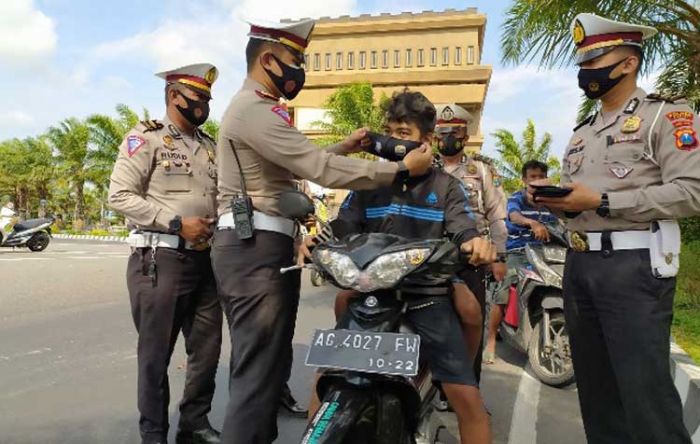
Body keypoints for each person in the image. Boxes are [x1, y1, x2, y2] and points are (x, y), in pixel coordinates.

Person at [211, 19, 434, 444]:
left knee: (268, 369)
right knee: (257, 374)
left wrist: (343, 149)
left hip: (263, 245)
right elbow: (318, 170)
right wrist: (401, 169)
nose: (300, 70)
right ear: (269, 60)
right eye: (296, 60)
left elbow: (296, 162)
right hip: (253, 245)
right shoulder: (252, 111)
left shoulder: (258, 110)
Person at [534, 13, 700, 444]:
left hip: (634, 266)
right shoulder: (581, 133)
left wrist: (605, 201)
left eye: (595, 60)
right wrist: (557, 204)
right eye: (582, 62)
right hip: (580, 265)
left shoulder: (666, 116)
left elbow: (692, 193)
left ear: (628, 63)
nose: (585, 71)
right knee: (596, 394)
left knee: (644, 395)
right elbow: (580, 204)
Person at [305, 90, 495, 444]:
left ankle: (445, 384)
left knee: (467, 399)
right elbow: (342, 227)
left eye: (403, 133)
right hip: (371, 293)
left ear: (426, 139)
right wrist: (314, 242)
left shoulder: (447, 187)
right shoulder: (370, 183)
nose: (393, 139)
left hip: (428, 296)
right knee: (323, 379)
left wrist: (476, 244)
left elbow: (465, 228)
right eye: (390, 130)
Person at [108, 63, 223, 444]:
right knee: (156, 356)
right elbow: (120, 196)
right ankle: (154, 434)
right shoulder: (146, 138)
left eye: (208, 98)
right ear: (175, 96)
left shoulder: (209, 146)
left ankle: (194, 424)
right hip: (161, 260)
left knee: (207, 351)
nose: (205, 104)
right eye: (199, 98)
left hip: (206, 261)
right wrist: (175, 222)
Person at [435, 103, 507, 382]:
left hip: (471, 258)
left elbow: (497, 214)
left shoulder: (482, 170)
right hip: (432, 258)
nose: (448, 138)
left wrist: (499, 256)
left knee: (470, 322)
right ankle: (434, 389)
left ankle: (468, 386)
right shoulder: (425, 167)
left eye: (455, 132)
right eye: (442, 132)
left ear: (465, 137)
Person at [482, 160, 557, 362]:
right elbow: (514, 216)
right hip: (519, 252)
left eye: (540, 176)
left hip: (546, 253)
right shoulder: (517, 198)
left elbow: (562, 221)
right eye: (532, 177)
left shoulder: (551, 201)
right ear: (524, 180)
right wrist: (530, 222)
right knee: (504, 291)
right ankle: (490, 340)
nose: (537, 180)